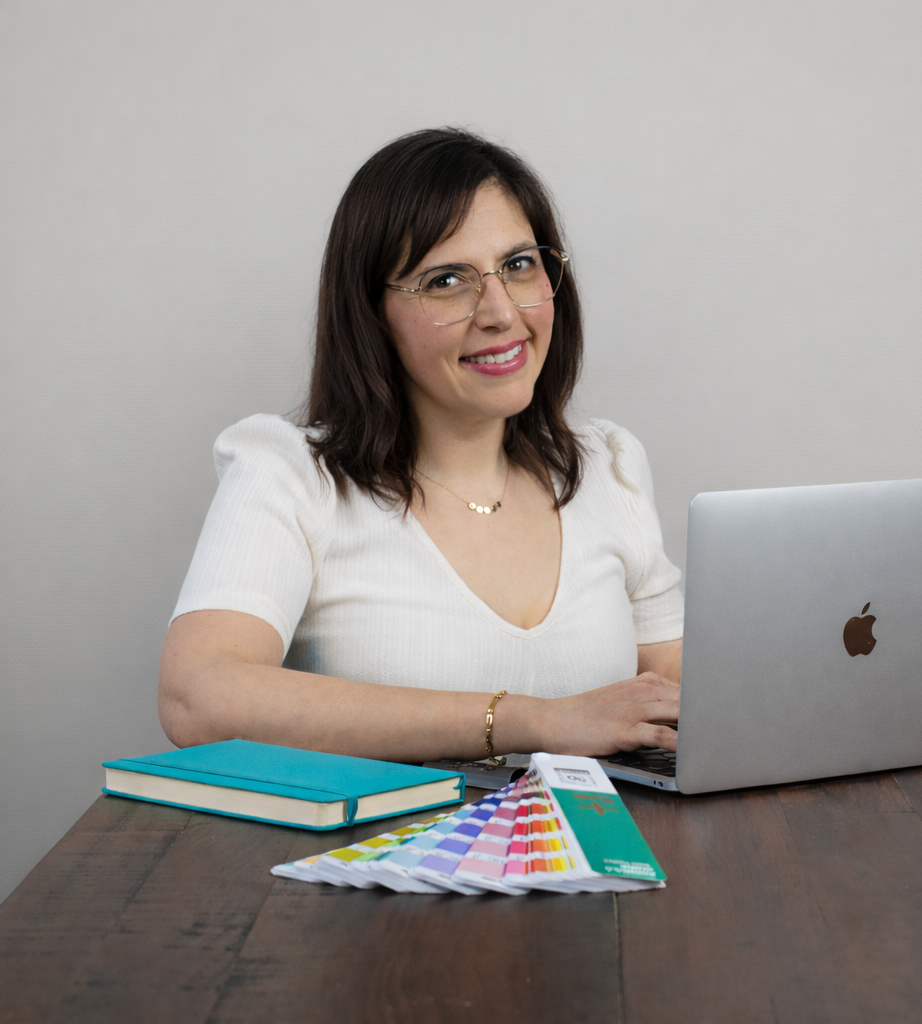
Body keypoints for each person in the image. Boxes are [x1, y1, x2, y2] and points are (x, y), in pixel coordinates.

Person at [158, 128, 683, 764]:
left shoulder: (606, 469)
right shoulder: (293, 476)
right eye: (446, 280)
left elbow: (681, 696)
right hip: (387, 832)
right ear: (371, 313)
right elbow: (197, 697)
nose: (500, 313)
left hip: (596, 830)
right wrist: (535, 721)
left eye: (520, 265)